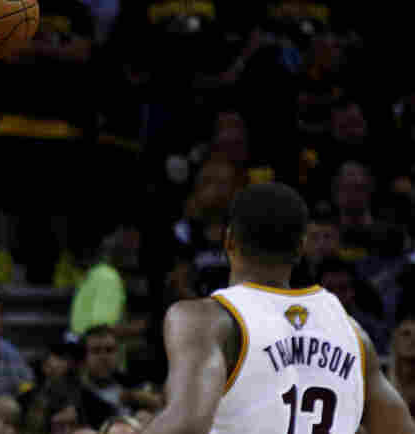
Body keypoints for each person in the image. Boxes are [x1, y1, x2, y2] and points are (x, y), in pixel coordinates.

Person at [140, 183, 415, 434]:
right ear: (300, 248)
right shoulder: (352, 332)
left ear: (229, 241)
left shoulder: (207, 319)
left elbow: (185, 426)